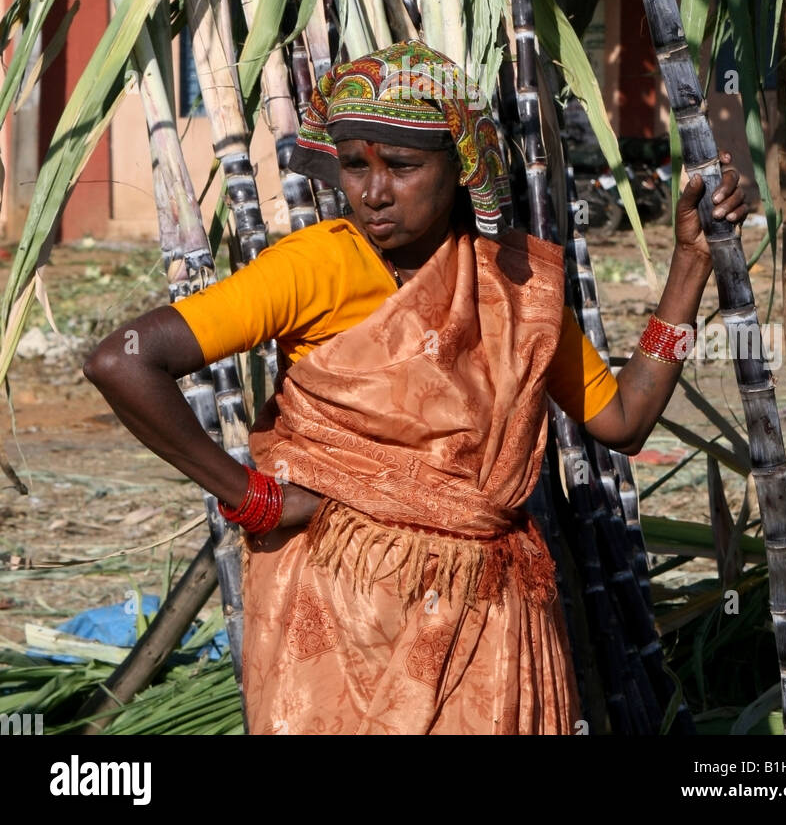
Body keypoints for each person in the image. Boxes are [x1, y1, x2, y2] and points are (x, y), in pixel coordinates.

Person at [84, 39, 747, 735]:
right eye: (353, 166)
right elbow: (122, 362)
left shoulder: (516, 285)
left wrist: (690, 267)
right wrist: (253, 499)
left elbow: (623, 420)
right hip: (337, 629)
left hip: (485, 625)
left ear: (461, 165)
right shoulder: (314, 268)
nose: (373, 192)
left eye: (401, 167)